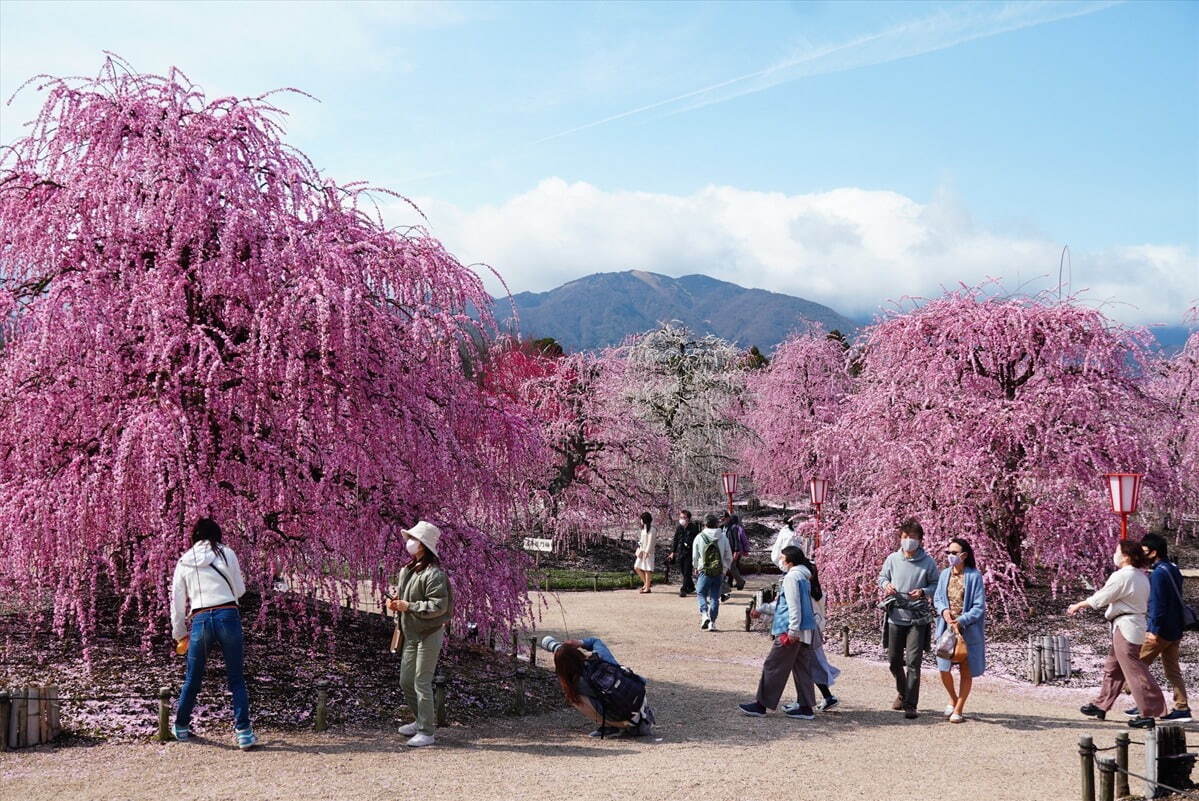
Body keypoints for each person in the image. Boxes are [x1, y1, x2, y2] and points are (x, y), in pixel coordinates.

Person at [170, 517, 256, 749]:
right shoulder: (227, 553)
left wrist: (179, 633)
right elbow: (240, 589)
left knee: (193, 677)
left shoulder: (184, 561)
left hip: (200, 618)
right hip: (228, 614)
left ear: (194, 537)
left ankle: (181, 726)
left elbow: (177, 602)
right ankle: (244, 732)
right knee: (236, 677)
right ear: (216, 534)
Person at [1071, 540, 1167, 729]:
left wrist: (1079, 605)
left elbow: (1103, 596)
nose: (1114, 554)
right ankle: (1101, 705)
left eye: (1117, 551)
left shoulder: (1123, 575)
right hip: (1130, 625)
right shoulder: (1140, 575)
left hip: (1126, 626)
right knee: (1113, 668)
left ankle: (1148, 712)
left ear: (1126, 556)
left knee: (1134, 670)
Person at [388, 521, 454, 748]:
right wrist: (398, 607)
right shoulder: (407, 571)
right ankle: (420, 720)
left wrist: (410, 606)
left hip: (429, 632)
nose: (409, 543)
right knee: (406, 680)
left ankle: (427, 731)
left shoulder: (434, 575)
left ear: (424, 546)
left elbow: (439, 606)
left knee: (421, 681)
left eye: (414, 540)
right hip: (411, 632)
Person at [739, 545, 818, 719]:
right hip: (805, 630)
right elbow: (789, 604)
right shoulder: (804, 577)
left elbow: (792, 606)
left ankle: (761, 705)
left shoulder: (791, 578)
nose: (780, 561)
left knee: (773, 665)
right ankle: (806, 707)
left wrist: (792, 629)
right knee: (802, 669)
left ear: (790, 561)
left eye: (782, 558)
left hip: (790, 630)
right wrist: (764, 609)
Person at [1122, 533, 1191, 722]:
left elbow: (1157, 604)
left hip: (1160, 631)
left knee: (1137, 665)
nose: (1142, 555)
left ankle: (1145, 703)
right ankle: (1182, 707)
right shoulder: (1173, 568)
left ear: (1154, 552)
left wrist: (1153, 629)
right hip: (1175, 629)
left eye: (1145, 551)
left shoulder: (1159, 573)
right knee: (1172, 670)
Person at [877, 518, 939, 719]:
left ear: (920, 540)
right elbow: (882, 577)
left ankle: (911, 704)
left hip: (917, 618)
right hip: (896, 616)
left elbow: (936, 584)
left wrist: (923, 591)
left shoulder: (928, 562)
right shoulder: (893, 559)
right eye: (905, 537)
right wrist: (886, 585)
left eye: (912, 538)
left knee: (913, 662)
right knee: (894, 660)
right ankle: (903, 692)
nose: (908, 541)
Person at [542, 635, 655, 738]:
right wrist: (580, 642)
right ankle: (637, 720)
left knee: (574, 697)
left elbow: (569, 681)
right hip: (639, 699)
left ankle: (612, 726)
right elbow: (596, 641)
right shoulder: (599, 657)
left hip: (626, 716)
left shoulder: (578, 682)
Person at [933, 537, 986, 723]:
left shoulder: (974, 576)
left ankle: (959, 708)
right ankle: (953, 698)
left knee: (966, 669)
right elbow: (938, 598)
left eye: (954, 553)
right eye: (948, 553)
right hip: (946, 628)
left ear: (964, 555)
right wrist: (944, 611)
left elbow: (979, 606)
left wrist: (962, 620)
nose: (950, 556)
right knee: (943, 667)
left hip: (967, 630)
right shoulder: (944, 574)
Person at [788, 547, 841, 712]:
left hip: (808, 630)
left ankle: (814, 699)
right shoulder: (817, 590)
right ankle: (825, 697)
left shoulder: (805, 588)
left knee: (808, 665)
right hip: (816, 628)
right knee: (812, 664)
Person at [692, 513, 733, 631]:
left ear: (705, 524)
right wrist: (724, 569)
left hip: (704, 570)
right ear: (716, 524)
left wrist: (695, 566)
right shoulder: (723, 537)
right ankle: (713, 623)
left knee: (701, 593)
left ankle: (704, 614)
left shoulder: (699, 537)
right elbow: (728, 556)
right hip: (719, 571)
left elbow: (695, 555)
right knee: (715, 597)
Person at [670, 510, 701, 596]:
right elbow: (675, 539)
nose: (682, 519)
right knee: (683, 571)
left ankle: (683, 589)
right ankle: (690, 586)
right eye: (680, 517)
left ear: (688, 519)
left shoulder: (694, 528)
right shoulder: (679, 528)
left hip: (689, 553)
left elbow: (696, 540)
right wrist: (673, 551)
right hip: (680, 552)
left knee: (687, 571)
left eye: (684, 517)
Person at [724, 513, 750, 593]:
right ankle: (735, 582)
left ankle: (737, 582)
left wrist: (740, 550)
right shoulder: (727, 527)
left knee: (732, 567)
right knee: (733, 567)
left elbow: (739, 540)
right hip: (732, 550)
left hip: (735, 550)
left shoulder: (735, 528)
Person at [633, 512, 656, 593]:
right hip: (642, 552)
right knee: (636, 567)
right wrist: (639, 547)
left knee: (647, 570)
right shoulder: (643, 529)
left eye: (641, 519)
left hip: (648, 553)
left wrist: (647, 551)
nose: (640, 521)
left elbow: (650, 542)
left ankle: (647, 587)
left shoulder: (652, 530)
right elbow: (641, 541)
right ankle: (647, 583)